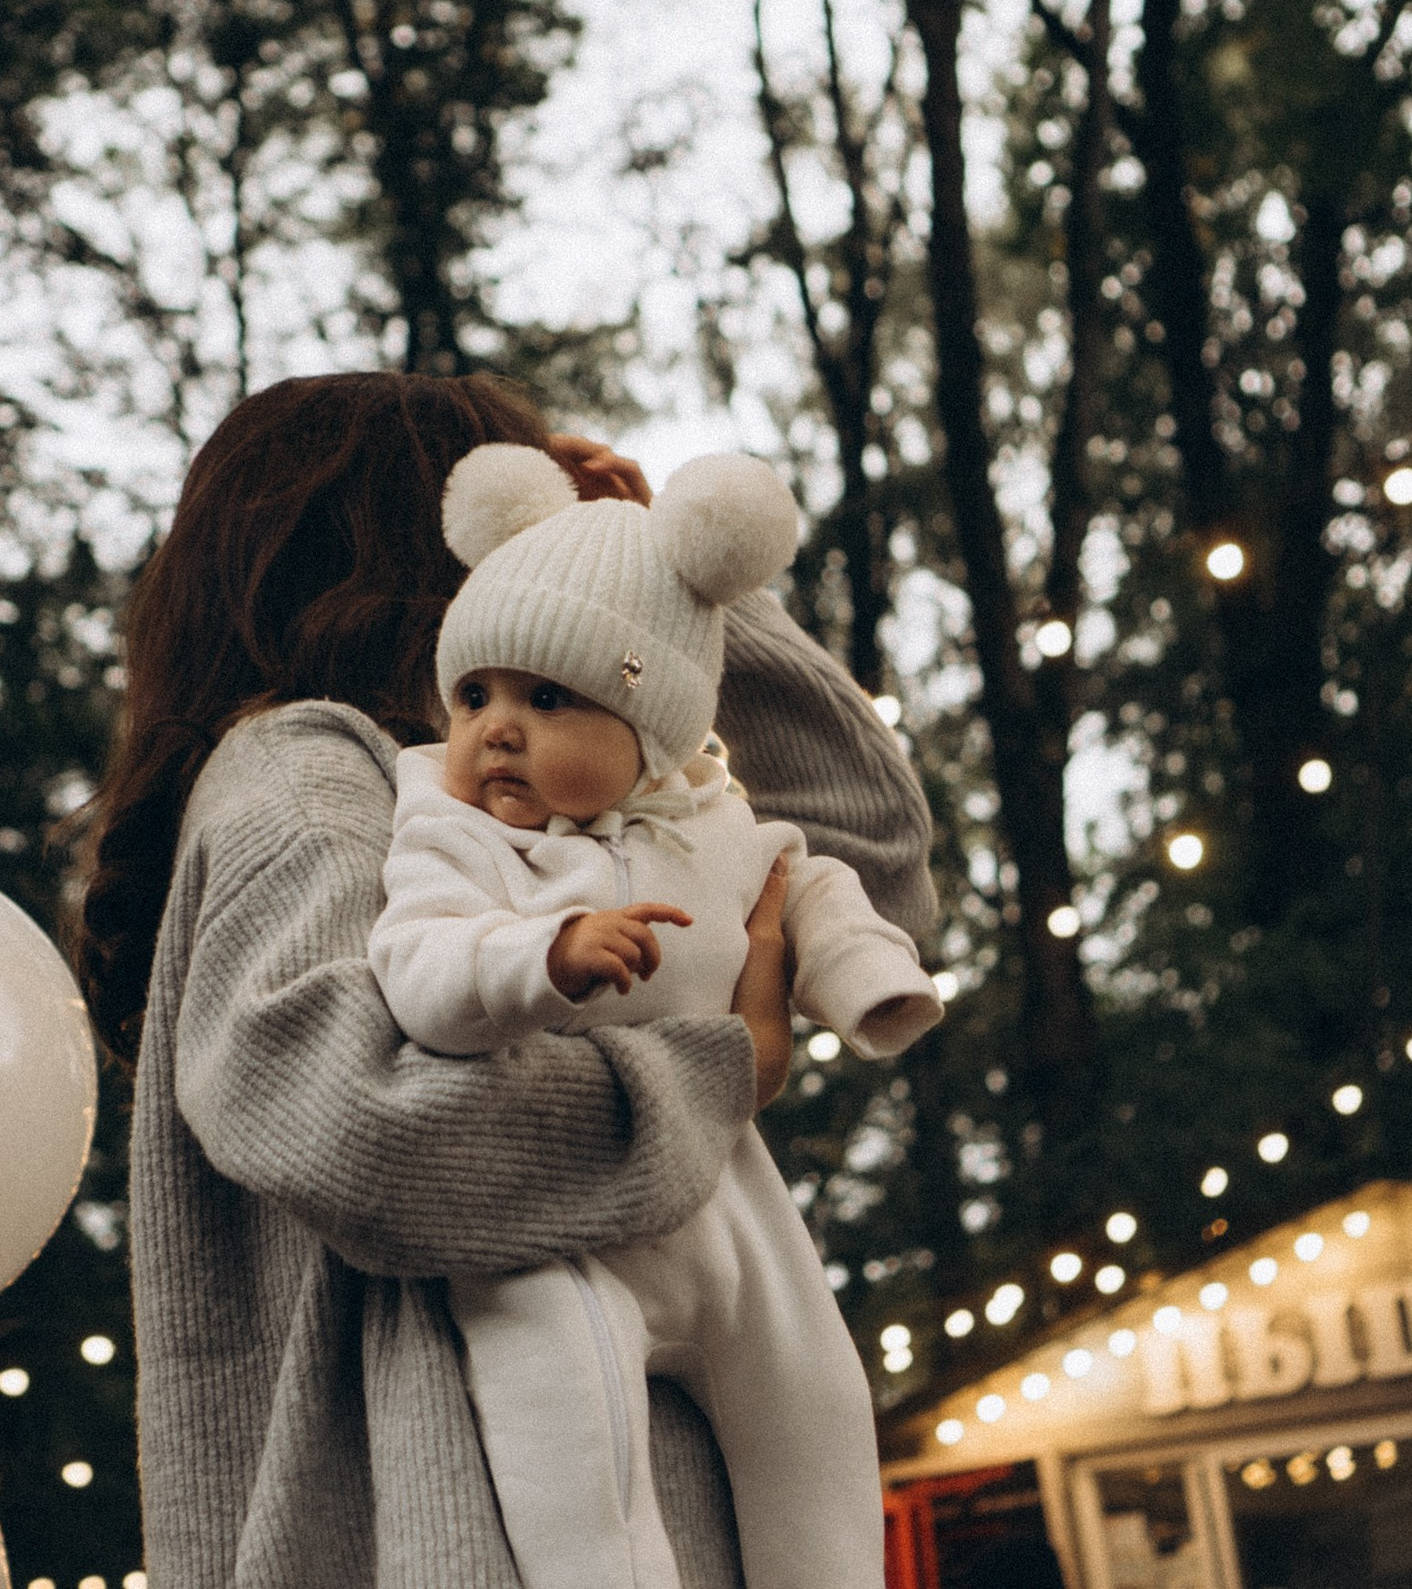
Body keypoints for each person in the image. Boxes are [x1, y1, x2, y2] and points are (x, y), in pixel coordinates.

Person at [60, 371, 938, 1589]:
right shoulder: (313, 776)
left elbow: (869, 861)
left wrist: (673, 602)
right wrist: (719, 1071)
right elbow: (372, 1133)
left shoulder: (554, 802)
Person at [365, 441, 943, 1589]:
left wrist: (866, 978)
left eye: (547, 697)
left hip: (729, 1190)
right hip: (562, 1218)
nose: (494, 729)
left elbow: (816, 885)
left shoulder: (723, 825)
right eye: (472, 694)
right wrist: (540, 956)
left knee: (814, 1399)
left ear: (653, 724)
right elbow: (417, 962)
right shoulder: (454, 832)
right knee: (564, 1426)